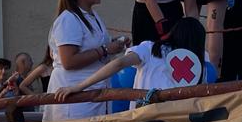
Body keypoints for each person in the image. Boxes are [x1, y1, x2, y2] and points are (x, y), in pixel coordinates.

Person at [55, 18, 208, 110]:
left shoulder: (150, 48)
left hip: (143, 121)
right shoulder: (199, 68)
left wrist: (79, 86)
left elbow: (119, 63)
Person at [42, 0, 129, 122]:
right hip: (74, 97)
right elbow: (68, 61)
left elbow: (96, 48)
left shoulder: (93, 16)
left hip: (93, 93)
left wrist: (116, 45)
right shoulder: (68, 19)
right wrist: (105, 49)